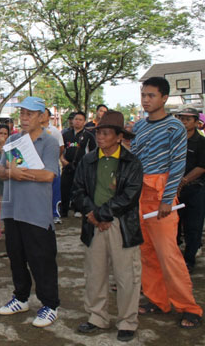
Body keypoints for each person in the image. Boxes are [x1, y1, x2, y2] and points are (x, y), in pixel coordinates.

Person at [131, 76, 202, 329]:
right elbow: (134, 160)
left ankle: (188, 307)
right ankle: (157, 300)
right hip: (140, 196)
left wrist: (166, 200)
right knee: (147, 253)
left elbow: (177, 165)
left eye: (151, 95)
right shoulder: (139, 127)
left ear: (163, 98)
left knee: (169, 255)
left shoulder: (175, 128)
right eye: (143, 95)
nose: (146, 100)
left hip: (161, 198)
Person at [72, 111, 143, 342]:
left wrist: (101, 214)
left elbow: (129, 196)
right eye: (98, 133)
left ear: (119, 136)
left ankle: (127, 322)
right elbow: (78, 190)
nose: (100, 137)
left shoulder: (131, 162)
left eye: (105, 133)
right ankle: (97, 317)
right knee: (95, 274)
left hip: (120, 225)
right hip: (94, 224)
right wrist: (91, 214)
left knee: (126, 277)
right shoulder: (89, 159)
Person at [0, 96, 60, 328]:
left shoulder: (49, 142)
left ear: (42, 116)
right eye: (22, 113)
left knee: (41, 260)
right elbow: (1, 169)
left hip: (36, 212)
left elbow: (49, 175)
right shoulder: (13, 139)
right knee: (16, 257)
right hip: (12, 210)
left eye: (30, 113)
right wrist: (8, 172)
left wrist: (21, 174)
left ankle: (50, 305)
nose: (24, 118)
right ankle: (21, 298)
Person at [175, 108, 205, 273]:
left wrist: (184, 180)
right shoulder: (174, 140)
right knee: (173, 226)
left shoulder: (201, 141)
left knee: (193, 227)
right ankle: (173, 259)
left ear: (197, 122)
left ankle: (189, 261)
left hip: (195, 189)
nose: (184, 122)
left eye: (188, 119)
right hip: (175, 190)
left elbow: (203, 166)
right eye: (182, 119)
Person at [60, 111, 96, 218]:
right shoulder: (65, 135)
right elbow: (61, 150)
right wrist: (63, 160)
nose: (77, 122)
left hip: (82, 167)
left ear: (84, 122)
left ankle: (78, 209)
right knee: (64, 188)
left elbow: (93, 152)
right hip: (67, 166)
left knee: (79, 189)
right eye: (76, 119)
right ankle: (64, 210)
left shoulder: (88, 136)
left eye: (80, 120)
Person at [42, 109, 64, 224]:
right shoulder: (34, 130)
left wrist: (53, 158)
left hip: (52, 165)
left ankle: (55, 214)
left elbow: (61, 147)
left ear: (49, 117)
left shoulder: (54, 131)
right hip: (39, 166)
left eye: (44, 114)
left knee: (54, 190)